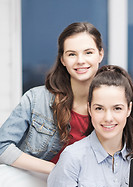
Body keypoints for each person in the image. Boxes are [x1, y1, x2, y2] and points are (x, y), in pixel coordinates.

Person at [0, 22, 104, 174]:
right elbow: (2, 147)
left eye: (88, 52)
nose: (80, 60)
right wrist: (57, 170)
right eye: (72, 54)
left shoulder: (110, 106)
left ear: (100, 54)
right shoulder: (36, 99)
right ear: (63, 59)